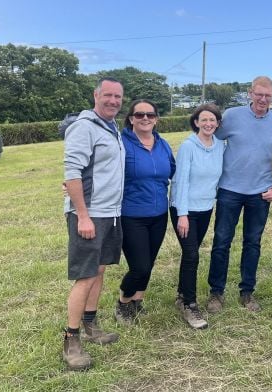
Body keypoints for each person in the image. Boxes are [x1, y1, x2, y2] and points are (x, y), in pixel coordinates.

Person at [206, 76, 272, 313]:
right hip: (229, 190)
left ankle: (247, 292)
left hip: (260, 193)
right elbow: (211, 138)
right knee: (222, 242)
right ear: (250, 93)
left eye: (268, 95)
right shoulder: (232, 116)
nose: (263, 99)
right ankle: (216, 293)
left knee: (252, 243)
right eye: (259, 94)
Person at [62, 77, 125, 370]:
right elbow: (72, 172)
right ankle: (71, 339)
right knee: (85, 276)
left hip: (110, 213)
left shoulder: (113, 129)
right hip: (89, 214)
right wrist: (83, 215)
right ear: (96, 95)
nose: (113, 101)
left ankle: (91, 325)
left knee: (98, 272)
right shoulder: (84, 127)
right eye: (108, 95)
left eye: (118, 97)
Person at [114, 99, 176, 326]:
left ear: (156, 119)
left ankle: (137, 301)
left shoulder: (163, 144)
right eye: (139, 115)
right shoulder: (121, 143)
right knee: (139, 266)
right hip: (131, 215)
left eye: (150, 115)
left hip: (159, 214)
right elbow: (101, 168)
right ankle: (123, 302)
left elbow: (174, 172)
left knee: (148, 263)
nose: (145, 119)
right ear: (131, 119)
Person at [169, 104, 224, 329]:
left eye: (212, 120)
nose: (208, 123)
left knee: (190, 254)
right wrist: (182, 214)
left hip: (205, 208)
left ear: (218, 124)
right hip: (185, 209)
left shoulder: (221, 146)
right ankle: (190, 305)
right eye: (204, 120)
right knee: (192, 255)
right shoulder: (188, 147)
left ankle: (181, 295)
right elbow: (180, 181)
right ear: (196, 122)